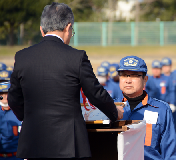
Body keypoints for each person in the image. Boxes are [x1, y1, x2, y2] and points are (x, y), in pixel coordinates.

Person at [7, 2, 124, 159]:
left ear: (42, 30)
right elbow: (95, 93)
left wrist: (28, 117)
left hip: (33, 141)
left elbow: (14, 98)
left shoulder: (22, 57)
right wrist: (115, 112)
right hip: (69, 143)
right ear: (68, 28)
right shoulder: (76, 57)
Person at [115, 56, 176, 160]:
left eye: (134, 76)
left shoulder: (161, 110)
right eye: (123, 75)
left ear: (145, 79)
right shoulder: (109, 108)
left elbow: (170, 153)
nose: (128, 80)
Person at [0, 82, 23, 160]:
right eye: (2, 94)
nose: (5, 97)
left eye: (7, 94)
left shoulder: (21, 111)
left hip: (17, 156)